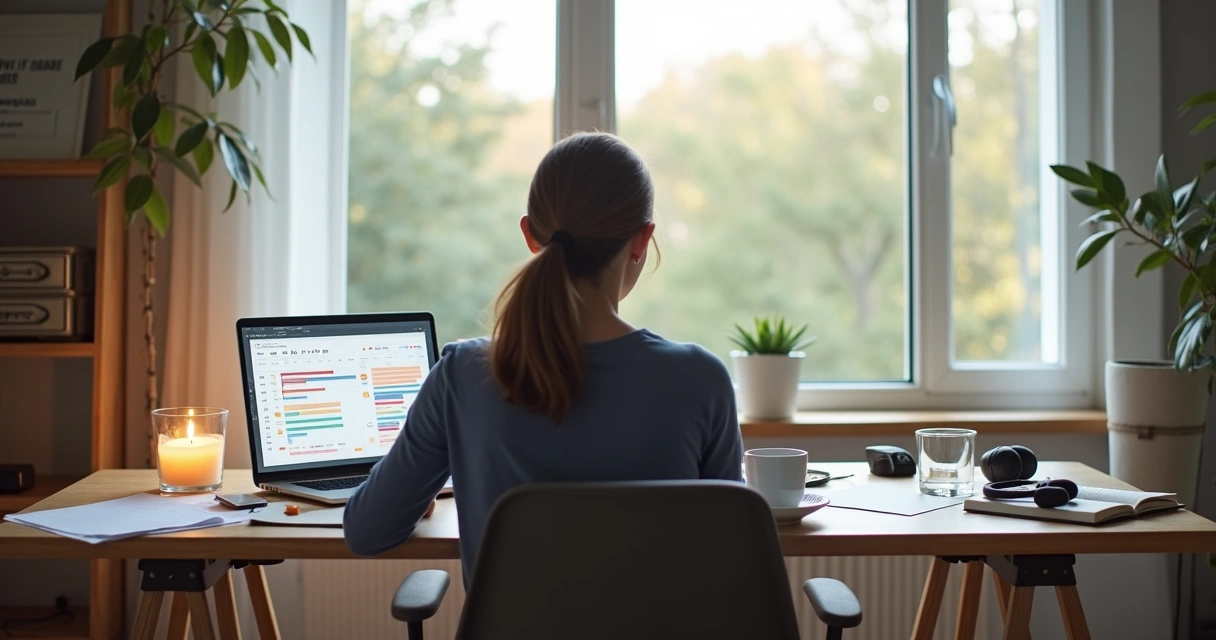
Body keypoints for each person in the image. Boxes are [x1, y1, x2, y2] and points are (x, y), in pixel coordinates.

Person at [343, 132, 742, 581]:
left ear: (531, 234)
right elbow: (731, 552)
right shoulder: (700, 380)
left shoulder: (462, 375)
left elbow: (367, 531)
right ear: (641, 240)